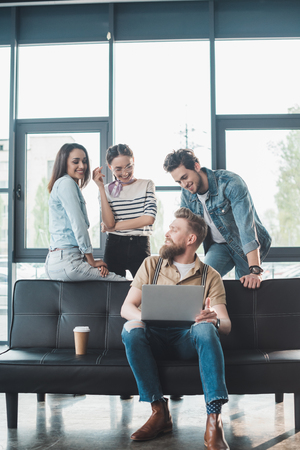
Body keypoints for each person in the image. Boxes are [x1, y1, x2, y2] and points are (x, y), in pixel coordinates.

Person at [121, 207, 231, 449]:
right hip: (154, 339)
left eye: (174, 229)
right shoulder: (152, 265)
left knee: (205, 329)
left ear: (191, 239)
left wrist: (213, 319)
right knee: (131, 327)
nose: (167, 233)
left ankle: (214, 419)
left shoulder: (210, 276)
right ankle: (159, 411)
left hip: (187, 342)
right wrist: (141, 317)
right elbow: (127, 307)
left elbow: (226, 324)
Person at [163, 149, 271, 289]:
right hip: (218, 246)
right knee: (202, 282)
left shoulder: (231, 183)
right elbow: (185, 227)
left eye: (185, 177)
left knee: (247, 287)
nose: (184, 185)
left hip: (242, 243)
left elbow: (246, 228)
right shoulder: (187, 193)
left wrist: (255, 271)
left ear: (196, 166)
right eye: (179, 182)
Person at [45, 143, 126, 282]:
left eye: (84, 161)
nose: (82, 166)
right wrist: (92, 261)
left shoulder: (63, 184)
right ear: (64, 163)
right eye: (76, 162)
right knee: (123, 284)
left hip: (57, 261)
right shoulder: (66, 184)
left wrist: (91, 263)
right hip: (67, 262)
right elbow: (79, 225)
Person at [93, 143, 157, 278]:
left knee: (145, 291)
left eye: (129, 166)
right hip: (114, 245)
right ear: (110, 168)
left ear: (133, 161)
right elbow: (108, 222)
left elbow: (149, 218)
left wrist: (112, 227)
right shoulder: (105, 190)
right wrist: (100, 187)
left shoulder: (146, 185)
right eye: (118, 169)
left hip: (140, 245)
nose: (125, 172)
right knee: (113, 292)